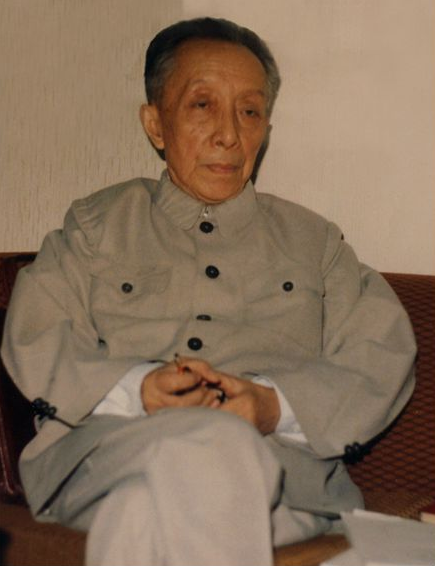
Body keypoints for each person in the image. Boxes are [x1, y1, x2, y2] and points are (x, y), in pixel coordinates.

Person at [1, 17, 416, 566]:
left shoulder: (315, 243)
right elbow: (36, 335)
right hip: (110, 456)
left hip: (283, 485)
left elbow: (381, 354)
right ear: (156, 124)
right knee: (208, 446)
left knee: (140, 515)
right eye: (202, 105)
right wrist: (138, 389)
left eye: (250, 111)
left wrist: (272, 405)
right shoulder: (95, 226)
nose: (229, 134)